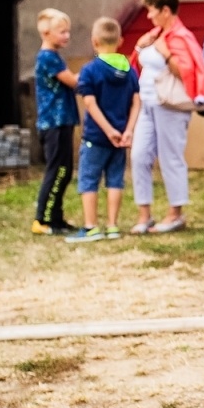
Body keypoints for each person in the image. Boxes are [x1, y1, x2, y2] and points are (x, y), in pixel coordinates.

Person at [130, 0, 204, 234]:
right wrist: (140, 47)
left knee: (170, 158)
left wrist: (165, 55)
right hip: (148, 103)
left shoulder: (180, 36)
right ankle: (145, 215)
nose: (149, 16)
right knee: (139, 156)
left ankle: (175, 214)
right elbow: (137, 65)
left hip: (170, 106)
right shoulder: (155, 35)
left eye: (152, 11)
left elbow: (187, 72)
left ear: (165, 10)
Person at [65, 17, 141, 244]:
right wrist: (128, 131)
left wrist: (108, 130)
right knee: (115, 180)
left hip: (97, 137)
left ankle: (91, 227)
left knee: (89, 179)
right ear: (120, 41)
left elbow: (90, 103)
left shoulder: (90, 70)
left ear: (94, 41)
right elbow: (137, 102)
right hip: (121, 138)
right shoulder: (129, 69)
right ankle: (112, 226)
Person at [32, 8, 80, 235]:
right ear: (46, 33)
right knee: (57, 170)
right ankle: (43, 219)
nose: (67, 36)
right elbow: (73, 82)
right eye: (62, 31)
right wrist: (97, 68)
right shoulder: (48, 58)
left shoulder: (54, 57)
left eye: (68, 31)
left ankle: (56, 218)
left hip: (63, 121)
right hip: (55, 123)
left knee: (65, 170)